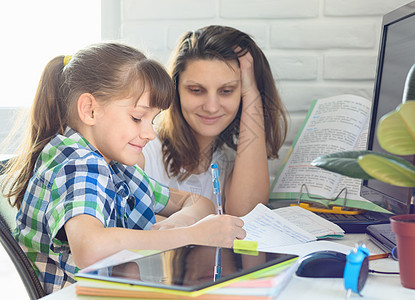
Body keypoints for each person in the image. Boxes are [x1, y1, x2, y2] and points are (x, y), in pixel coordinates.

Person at [1, 42, 245, 294]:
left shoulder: (116, 166)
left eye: (153, 119)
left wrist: (178, 224)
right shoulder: (78, 164)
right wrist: (191, 235)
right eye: (137, 118)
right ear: (90, 110)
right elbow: (90, 248)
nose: (150, 133)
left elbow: (198, 202)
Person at [138, 25, 288, 216]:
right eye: (196, 90)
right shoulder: (144, 147)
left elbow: (247, 214)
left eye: (226, 91)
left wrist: (251, 93)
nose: (211, 107)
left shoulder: (232, 161)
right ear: (176, 89)